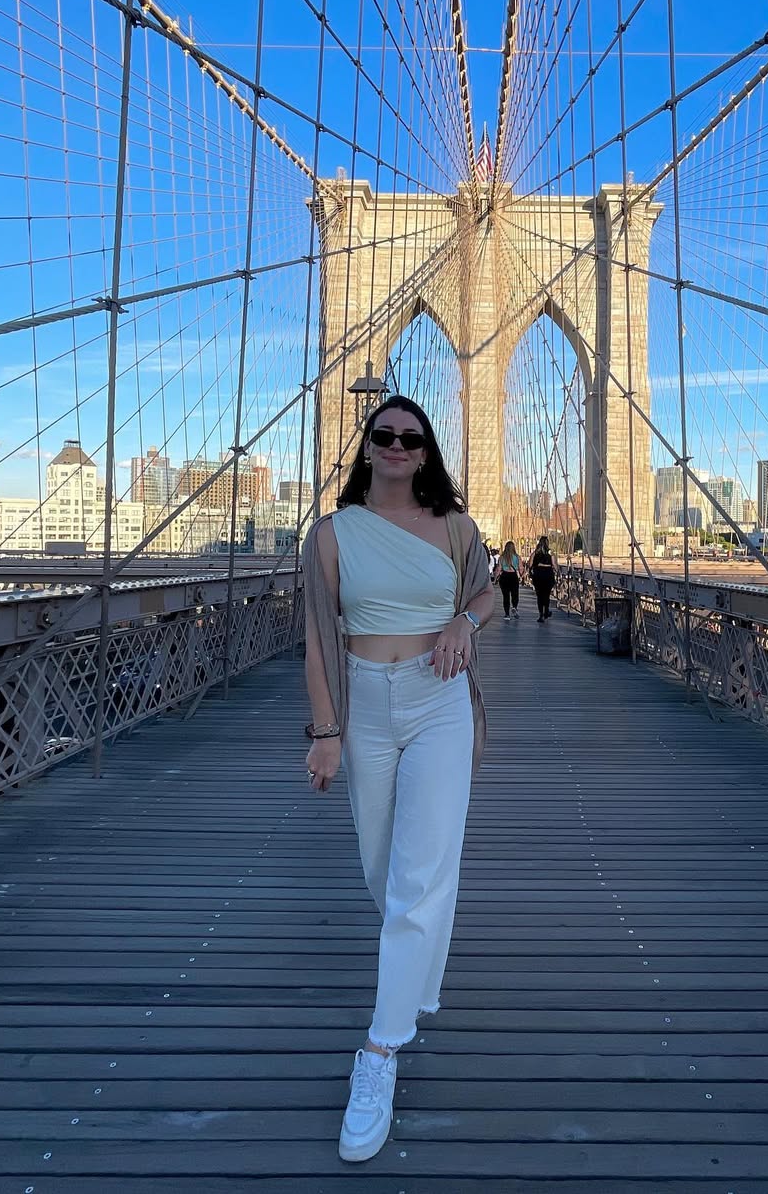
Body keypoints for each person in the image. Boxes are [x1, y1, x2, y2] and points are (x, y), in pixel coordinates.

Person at [299, 395, 495, 1164]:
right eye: (383, 435)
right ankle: (414, 971)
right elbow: (318, 636)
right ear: (367, 446)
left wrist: (463, 623)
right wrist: (326, 734)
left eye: (411, 438)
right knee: (384, 870)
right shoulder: (329, 535)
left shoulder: (457, 528)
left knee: (419, 874)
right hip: (364, 706)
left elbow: (487, 592)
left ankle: (378, 1052)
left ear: (425, 451)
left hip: (438, 699)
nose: (396, 446)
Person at [530, 534, 556, 621]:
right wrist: (557, 570)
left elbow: (530, 564)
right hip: (548, 574)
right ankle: (546, 611)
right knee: (546, 595)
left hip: (538, 575)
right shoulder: (550, 552)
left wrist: (534, 566)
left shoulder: (535, 552)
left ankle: (541, 614)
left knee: (540, 596)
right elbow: (554, 564)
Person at [497, 540, 521, 620]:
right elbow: (521, 568)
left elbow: (499, 569)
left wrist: (495, 578)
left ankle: (507, 614)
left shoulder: (501, 557)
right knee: (515, 594)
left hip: (504, 576)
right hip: (513, 576)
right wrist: (522, 575)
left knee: (506, 596)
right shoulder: (517, 557)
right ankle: (514, 607)